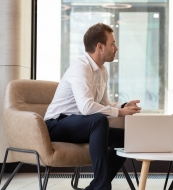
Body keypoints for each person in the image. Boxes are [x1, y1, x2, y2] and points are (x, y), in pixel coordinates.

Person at [44, 23, 141, 190]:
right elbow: (87, 108)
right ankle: (103, 187)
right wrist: (119, 112)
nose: (116, 48)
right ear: (100, 47)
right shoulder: (80, 68)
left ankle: (96, 186)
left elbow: (104, 104)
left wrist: (124, 106)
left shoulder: (102, 71)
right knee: (99, 120)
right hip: (56, 124)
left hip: (81, 125)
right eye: (113, 43)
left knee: (126, 138)